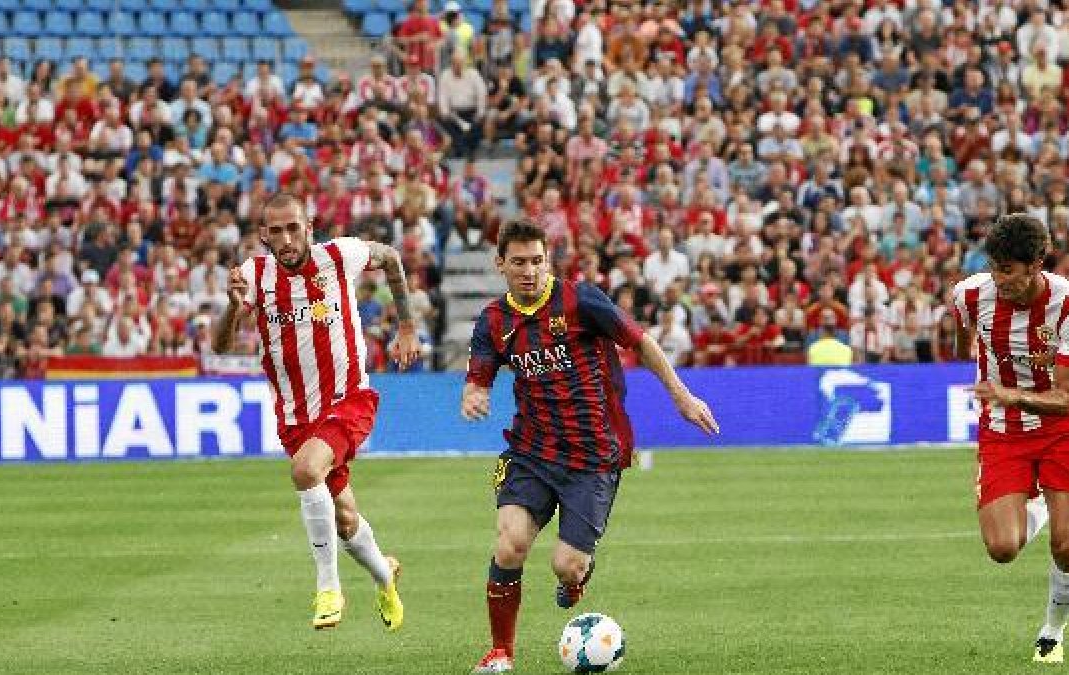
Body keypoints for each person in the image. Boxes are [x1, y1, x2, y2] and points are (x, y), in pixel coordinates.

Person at [462, 221, 719, 673]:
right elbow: (479, 374)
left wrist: (681, 394)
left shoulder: (581, 301)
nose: (529, 271)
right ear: (500, 264)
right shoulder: (494, 320)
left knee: (567, 565)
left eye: (537, 261)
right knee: (510, 545)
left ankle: (577, 578)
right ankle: (500, 652)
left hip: (593, 456)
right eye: (518, 262)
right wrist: (474, 392)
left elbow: (641, 342)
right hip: (531, 452)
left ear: (548, 261)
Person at [213, 193, 422, 631]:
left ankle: (328, 587)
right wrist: (233, 308)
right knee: (344, 518)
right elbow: (220, 347)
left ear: (308, 226)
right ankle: (386, 576)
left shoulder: (340, 255)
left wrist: (406, 326)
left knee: (306, 472)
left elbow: (391, 259)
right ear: (264, 236)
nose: (287, 238)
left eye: (294, 227)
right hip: (296, 418)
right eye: (277, 231)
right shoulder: (254, 275)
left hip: (349, 400)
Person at [950, 213, 1069, 665]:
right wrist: (990, 382)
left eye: (1008, 270)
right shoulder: (969, 295)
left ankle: (1052, 634)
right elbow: (962, 343)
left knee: (1066, 543)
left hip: (1060, 431)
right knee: (1002, 549)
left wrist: (1009, 392)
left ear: (1035, 265)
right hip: (1001, 432)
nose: (999, 279)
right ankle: (1035, 502)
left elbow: (1067, 399)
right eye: (994, 267)